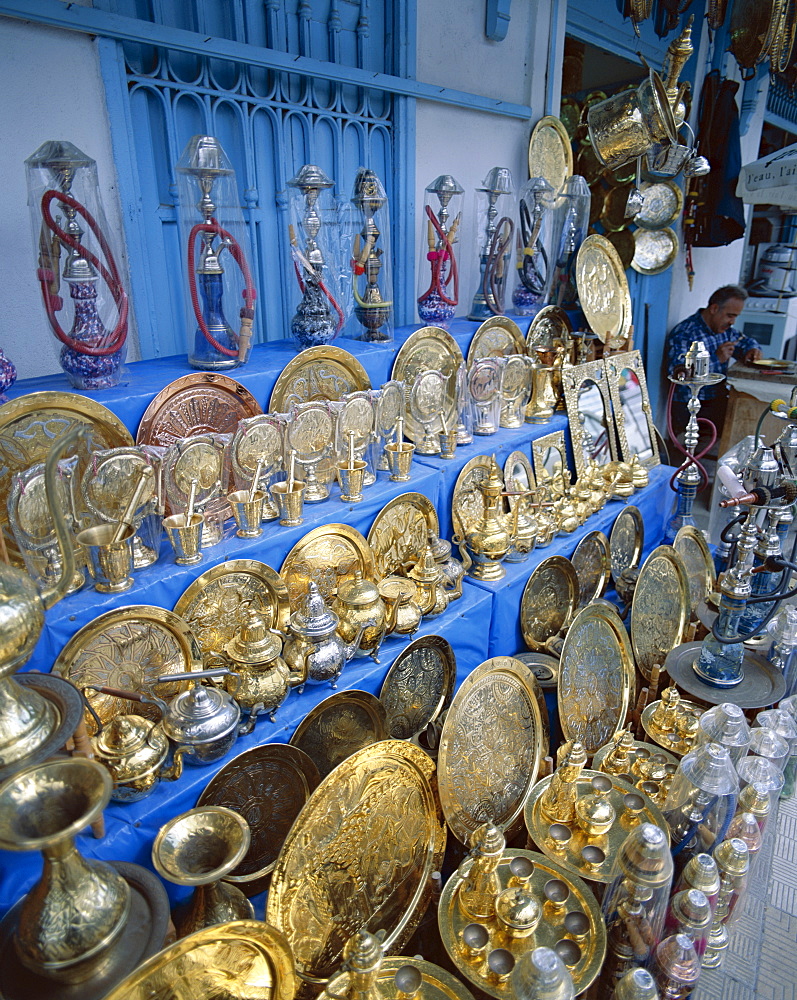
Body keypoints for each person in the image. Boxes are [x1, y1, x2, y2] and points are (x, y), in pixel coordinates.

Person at [666, 284, 761, 444]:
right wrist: (716, 359)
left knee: (749, 421)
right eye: (730, 315)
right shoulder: (686, 332)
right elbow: (679, 374)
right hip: (689, 404)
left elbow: (745, 341)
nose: (732, 321)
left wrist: (753, 349)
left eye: (736, 317)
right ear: (714, 308)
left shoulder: (724, 330)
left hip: (716, 399)